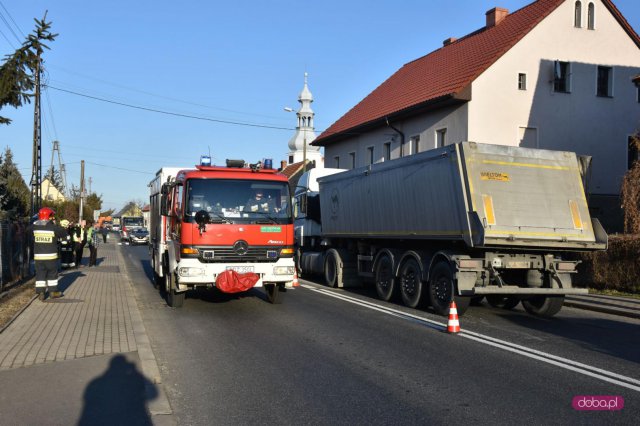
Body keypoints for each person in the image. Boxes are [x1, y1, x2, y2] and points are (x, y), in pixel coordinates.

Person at [28, 207, 69, 299]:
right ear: (49, 216)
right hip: (51, 257)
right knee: (52, 274)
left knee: (40, 274)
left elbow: (27, 231)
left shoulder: (33, 227)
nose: (53, 218)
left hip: (38, 257)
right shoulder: (53, 228)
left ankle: (41, 293)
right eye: (52, 216)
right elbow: (63, 233)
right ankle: (53, 292)